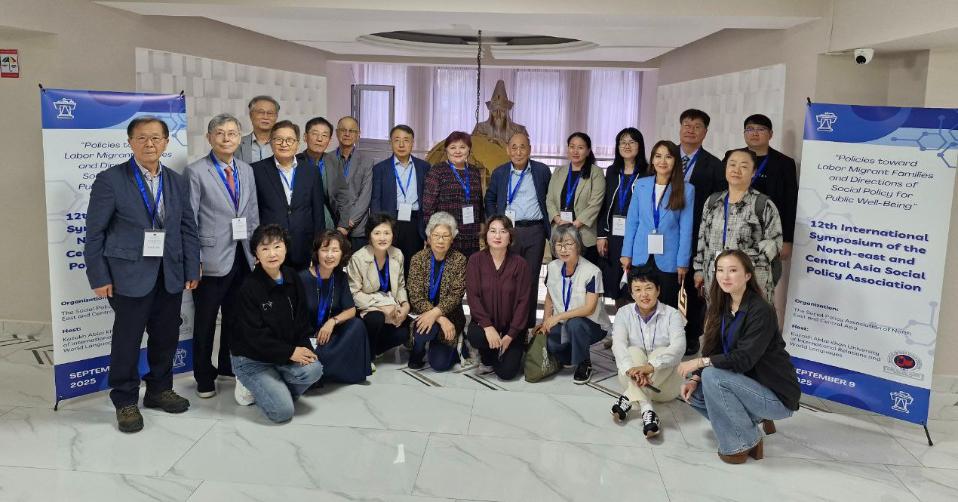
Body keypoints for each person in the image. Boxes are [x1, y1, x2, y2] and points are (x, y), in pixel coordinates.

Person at [84, 116, 199, 433]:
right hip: (128, 275)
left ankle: (159, 389)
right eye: (142, 138)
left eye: (156, 138)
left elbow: (187, 227)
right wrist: (99, 276)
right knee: (127, 339)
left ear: (166, 142)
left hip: (170, 273)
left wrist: (191, 266)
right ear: (130, 142)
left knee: (166, 335)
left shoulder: (176, 180)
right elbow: (94, 233)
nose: (150, 144)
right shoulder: (111, 180)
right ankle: (124, 399)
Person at [678, 250, 800, 464]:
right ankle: (749, 429)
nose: (725, 276)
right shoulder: (721, 305)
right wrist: (695, 378)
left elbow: (744, 359)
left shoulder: (761, 310)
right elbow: (712, 348)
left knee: (712, 376)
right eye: (720, 270)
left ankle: (741, 442)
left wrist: (700, 362)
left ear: (747, 275)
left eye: (733, 270)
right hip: (744, 384)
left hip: (775, 394)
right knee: (695, 394)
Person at [186, 113, 260, 398]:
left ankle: (228, 365)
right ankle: (203, 376)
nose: (226, 138)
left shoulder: (246, 170)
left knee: (235, 317)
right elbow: (189, 220)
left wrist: (255, 252)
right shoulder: (196, 172)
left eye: (232, 133)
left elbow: (252, 213)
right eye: (220, 133)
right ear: (209, 138)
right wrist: (194, 260)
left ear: (239, 137)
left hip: (242, 255)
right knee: (205, 321)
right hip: (210, 260)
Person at [231, 224, 324, 423]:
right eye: (264, 248)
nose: (272, 254)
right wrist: (290, 352)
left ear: (285, 248)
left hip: (281, 353)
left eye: (277, 246)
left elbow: (301, 321)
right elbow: (254, 337)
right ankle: (250, 384)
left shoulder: (292, 277)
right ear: (256, 254)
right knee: (282, 412)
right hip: (252, 359)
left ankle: (273, 387)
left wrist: (304, 350)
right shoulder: (249, 287)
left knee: (315, 369)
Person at [693, 149, 783, 302]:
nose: (736, 170)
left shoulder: (763, 204)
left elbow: (775, 243)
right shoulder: (712, 202)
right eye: (732, 164)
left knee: (748, 318)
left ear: (753, 172)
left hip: (750, 283)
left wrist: (739, 264)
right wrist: (699, 270)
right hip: (714, 281)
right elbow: (702, 239)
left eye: (744, 166)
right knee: (716, 317)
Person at [484, 131, 551, 328]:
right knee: (507, 278)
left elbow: (550, 198)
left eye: (523, 147)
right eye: (514, 147)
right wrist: (495, 223)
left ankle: (526, 325)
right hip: (508, 232)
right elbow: (489, 199)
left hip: (534, 231)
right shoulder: (500, 173)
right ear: (508, 150)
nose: (518, 152)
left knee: (530, 279)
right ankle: (506, 323)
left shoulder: (541, 171)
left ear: (530, 149)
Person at [610, 271, 686, 438]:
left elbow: (679, 347)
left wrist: (649, 367)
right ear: (631, 293)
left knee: (662, 352)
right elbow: (618, 345)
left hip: (665, 388)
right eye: (637, 289)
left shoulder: (672, 314)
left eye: (648, 288)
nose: (643, 294)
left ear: (658, 290)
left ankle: (628, 398)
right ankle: (647, 411)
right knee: (632, 351)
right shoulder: (623, 313)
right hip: (632, 377)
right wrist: (632, 370)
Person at [620, 140, 694, 310]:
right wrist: (626, 253)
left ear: (676, 160)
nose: (662, 161)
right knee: (641, 303)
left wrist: (683, 262)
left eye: (668, 157)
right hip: (641, 254)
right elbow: (632, 222)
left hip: (669, 258)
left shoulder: (687, 189)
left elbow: (686, 229)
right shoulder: (641, 184)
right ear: (652, 160)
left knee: (666, 306)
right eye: (658, 156)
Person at [678, 109, 727, 355]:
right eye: (686, 125)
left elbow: (719, 205)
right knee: (665, 283)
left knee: (693, 285)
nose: (691, 130)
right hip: (665, 234)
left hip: (696, 234)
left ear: (705, 132)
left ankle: (691, 334)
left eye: (697, 126)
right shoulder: (664, 157)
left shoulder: (714, 165)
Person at [541, 224, 611, 384]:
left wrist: (558, 316)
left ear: (578, 245)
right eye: (559, 245)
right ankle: (570, 354)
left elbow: (589, 309)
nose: (563, 249)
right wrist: (546, 322)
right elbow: (549, 298)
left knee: (575, 324)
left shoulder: (592, 271)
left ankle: (584, 362)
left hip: (592, 325)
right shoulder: (552, 267)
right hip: (563, 322)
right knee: (552, 344)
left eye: (568, 244)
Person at [251, 120, 325, 270]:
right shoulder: (256, 170)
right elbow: (253, 212)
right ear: (271, 142)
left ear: (297, 143)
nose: (284, 144)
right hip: (270, 246)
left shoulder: (311, 171)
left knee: (301, 284)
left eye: (290, 140)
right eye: (278, 139)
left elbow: (318, 213)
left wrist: (318, 247)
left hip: (303, 245)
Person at [299, 231, 371, 384]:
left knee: (357, 325)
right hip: (307, 339)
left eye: (335, 250)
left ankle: (323, 370)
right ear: (317, 253)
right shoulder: (302, 279)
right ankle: (323, 369)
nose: (330, 255)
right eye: (324, 250)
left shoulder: (340, 277)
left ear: (342, 254)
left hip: (329, 338)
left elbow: (351, 310)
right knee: (316, 358)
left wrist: (332, 322)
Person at [465, 216, 531, 380]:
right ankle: (488, 355)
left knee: (506, 373)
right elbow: (473, 297)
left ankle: (506, 351)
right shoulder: (475, 260)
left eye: (503, 231)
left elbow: (523, 302)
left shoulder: (520, 264)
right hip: (485, 325)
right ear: (486, 235)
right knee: (476, 336)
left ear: (510, 237)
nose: (497, 236)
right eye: (493, 231)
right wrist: (488, 327)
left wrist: (511, 334)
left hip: (511, 328)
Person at [346, 212, 411, 368]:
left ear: (392, 235)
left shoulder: (397, 254)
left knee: (404, 332)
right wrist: (383, 307)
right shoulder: (358, 258)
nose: (382, 238)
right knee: (376, 318)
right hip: (367, 308)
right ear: (369, 235)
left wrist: (405, 305)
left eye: (387, 233)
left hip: (390, 306)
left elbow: (400, 286)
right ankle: (366, 357)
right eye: (377, 233)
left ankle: (373, 349)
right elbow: (354, 294)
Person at [733, 114, 798, 265]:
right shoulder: (733, 157)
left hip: (768, 233)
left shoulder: (784, 163)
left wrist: (787, 240)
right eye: (750, 129)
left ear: (771, 134)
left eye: (761, 129)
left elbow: (790, 203)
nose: (755, 133)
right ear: (744, 133)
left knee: (764, 275)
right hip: (735, 228)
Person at [406, 212, 467, 371]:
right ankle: (417, 351)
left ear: (452, 239)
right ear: (429, 237)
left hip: (451, 316)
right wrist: (438, 317)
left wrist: (438, 315)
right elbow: (415, 297)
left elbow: (456, 295)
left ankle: (457, 344)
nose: (440, 240)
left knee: (439, 365)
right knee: (423, 330)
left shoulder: (459, 260)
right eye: (436, 235)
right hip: (423, 314)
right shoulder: (418, 259)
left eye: (445, 236)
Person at [371, 124, 431, 276]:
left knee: (413, 265)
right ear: (390, 142)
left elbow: (429, 199)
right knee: (389, 264)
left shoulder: (424, 167)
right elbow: (376, 199)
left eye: (406, 140)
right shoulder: (380, 168)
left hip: (414, 222)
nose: (401, 144)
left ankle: (410, 292)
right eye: (397, 140)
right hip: (390, 221)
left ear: (412, 143)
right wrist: (378, 226)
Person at [597, 127, 648, 307]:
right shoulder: (612, 171)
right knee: (616, 281)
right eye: (622, 142)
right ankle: (621, 320)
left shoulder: (648, 172)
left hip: (636, 235)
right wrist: (602, 235)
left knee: (634, 280)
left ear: (640, 146)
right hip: (613, 235)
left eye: (631, 142)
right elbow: (604, 205)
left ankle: (636, 320)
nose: (627, 146)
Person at [422, 131, 485, 256]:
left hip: (471, 233)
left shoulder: (474, 171)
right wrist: (431, 233)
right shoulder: (437, 171)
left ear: (469, 149)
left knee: (469, 266)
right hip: (445, 234)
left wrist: (482, 224)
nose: (458, 151)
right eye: (453, 147)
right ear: (446, 150)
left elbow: (478, 201)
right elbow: (428, 207)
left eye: (462, 147)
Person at [546, 132, 605, 264]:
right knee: (560, 273)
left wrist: (574, 225)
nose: (575, 151)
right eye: (572, 147)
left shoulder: (596, 172)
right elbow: (549, 199)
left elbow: (595, 204)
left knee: (584, 274)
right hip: (559, 233)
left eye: (580, 147)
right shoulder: (558, 171)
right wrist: (558, 219)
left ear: (588, 151)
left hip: (584, 235)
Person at [297, 116, 348, 232]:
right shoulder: (295, 162)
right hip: (301, 223)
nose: (319, 139)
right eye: (315, 134)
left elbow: (343, 195)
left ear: (329, 141)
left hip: (328, 222)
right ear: (305, 137)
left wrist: (343, 224)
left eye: (324, 135)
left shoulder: (334, 162)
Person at [334, 116, 375, 249]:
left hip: (357, 228)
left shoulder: (367, 161)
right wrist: (340, 222)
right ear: (336, 133)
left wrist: (348, 222)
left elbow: (365, 195)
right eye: (343, 130)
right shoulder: (327, 159)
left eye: (351, 131)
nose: (347, 134)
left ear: (358, 134)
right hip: (333, 226)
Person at [238, 96, 280, 164]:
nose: (265, 117)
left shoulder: (284, 144)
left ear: (276, 117)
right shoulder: (237, 144)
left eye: (270, 113)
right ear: (251, 115)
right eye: (261, 112)